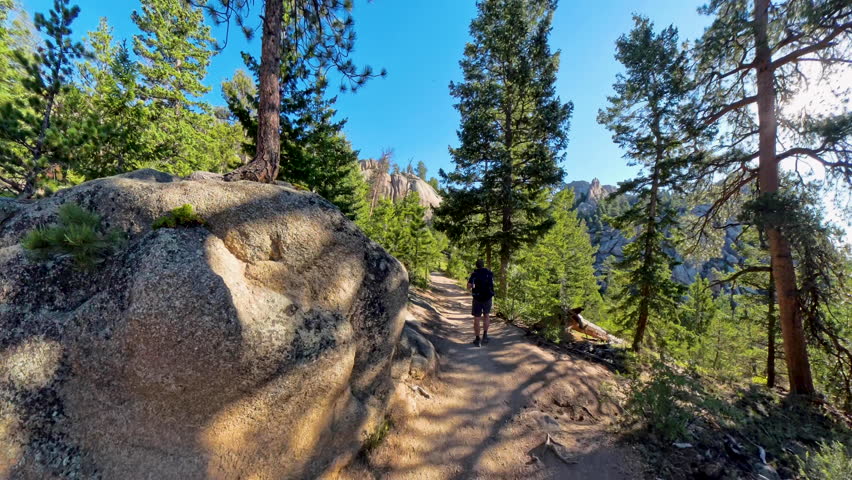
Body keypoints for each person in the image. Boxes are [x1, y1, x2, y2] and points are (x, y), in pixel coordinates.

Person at [467, 259, 494, 347]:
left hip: (477, 298)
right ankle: (485, 336)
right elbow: (492, 284)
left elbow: (468, 287)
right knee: (486, 315)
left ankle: (477, 339)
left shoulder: (474, 274)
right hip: (488, 298)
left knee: (477, 318)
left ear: (476, 265)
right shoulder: (489, 273)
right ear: (483, 265)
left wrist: (473, 286)